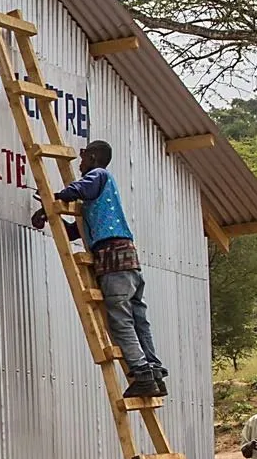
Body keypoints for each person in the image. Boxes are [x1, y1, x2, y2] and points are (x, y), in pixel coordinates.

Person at [33, 140, 165, 398]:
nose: (80, 163)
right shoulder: (101, 196)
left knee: (120, 320)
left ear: (93, 157)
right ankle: (155, 372)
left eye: (83, 157)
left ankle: (142, 373)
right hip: (128, 261)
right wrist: (49, 215)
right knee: (139, 319)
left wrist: (56, 197)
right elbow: (78, 230)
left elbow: (79, 189)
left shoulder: (99, 175)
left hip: (113, 260)